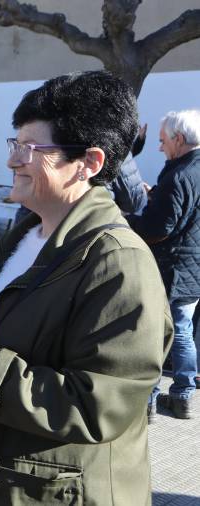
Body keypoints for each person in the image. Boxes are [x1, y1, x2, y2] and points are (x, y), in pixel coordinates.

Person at [0, 71, 172, 504]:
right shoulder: (26, 235)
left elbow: (98, 406)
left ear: (89, 163)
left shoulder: (119, 262)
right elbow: (9, 330)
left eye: (30, 149)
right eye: (15, 145)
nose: (13, 161)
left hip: (57, 493)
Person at [128, 109, 200, 420]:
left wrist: (125, 219)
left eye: (162, 141)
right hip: (192, 270)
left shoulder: (179, 175)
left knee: (157, 334)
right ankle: (183, 396)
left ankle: (148, 401)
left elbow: (158, 230)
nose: (159, 147)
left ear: (179, 139)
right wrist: (158, 195)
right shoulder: (187, 171)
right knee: (182, 331)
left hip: (172, 269)